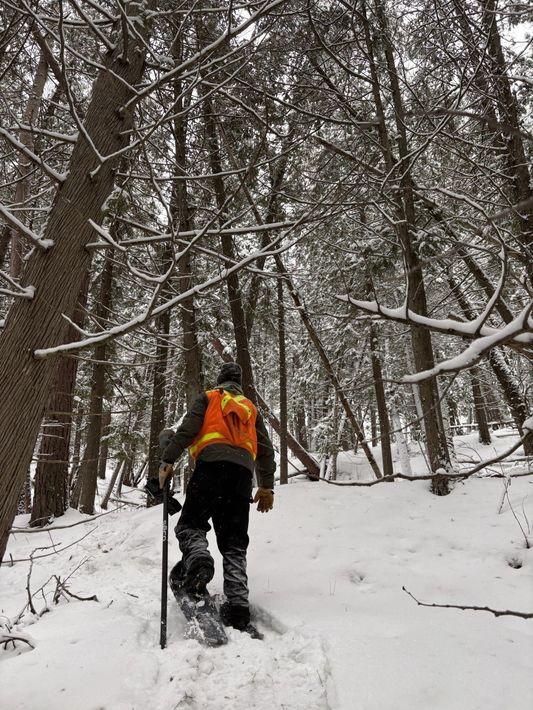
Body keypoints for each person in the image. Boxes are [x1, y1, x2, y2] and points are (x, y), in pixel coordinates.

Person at [156, 362, 275, 633]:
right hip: (242, 477)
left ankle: (198, 559)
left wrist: (167, 459)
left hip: (210, 467)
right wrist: (266, 486)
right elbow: (266, 450)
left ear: (220, 380)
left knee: (190, 525)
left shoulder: (209, 398)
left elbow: (187, 431)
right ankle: (238, 607)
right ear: (240, 384)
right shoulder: (251, 410)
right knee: (234, 541)